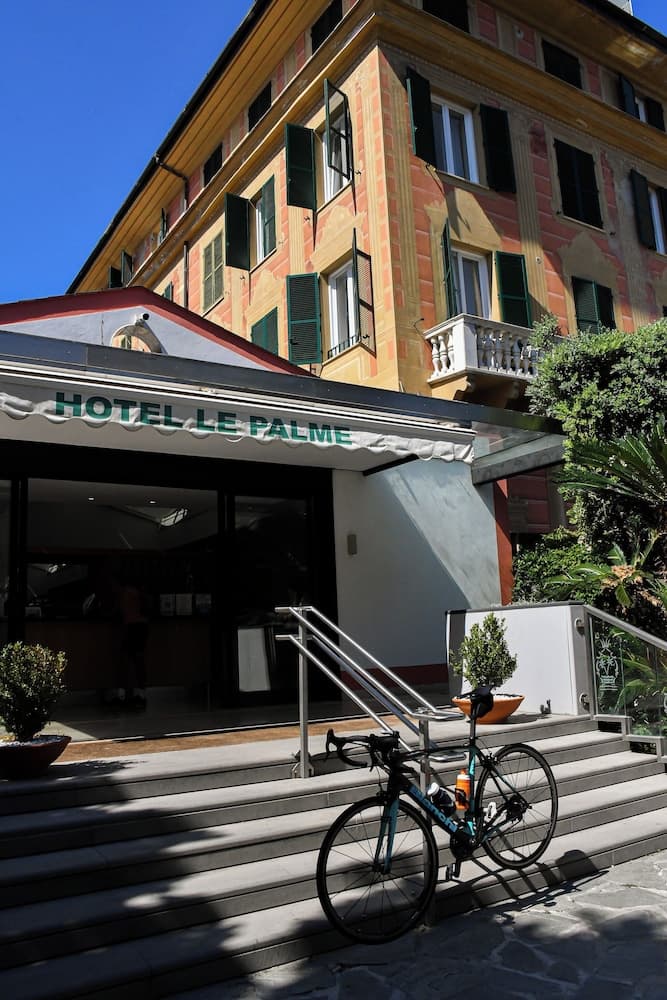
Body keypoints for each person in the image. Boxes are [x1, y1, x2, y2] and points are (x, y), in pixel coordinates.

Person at [111, 575, 149, 710]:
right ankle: (140, 694)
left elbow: (118, 611)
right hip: (140, 627)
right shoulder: (137, 593)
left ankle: (122, 695)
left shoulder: (124, 594)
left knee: (124, 662)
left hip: (130, 627)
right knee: (138, 661)